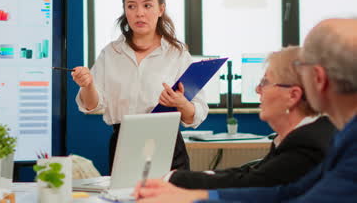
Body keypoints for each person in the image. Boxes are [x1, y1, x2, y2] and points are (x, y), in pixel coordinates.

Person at [135, 18, 357, 203]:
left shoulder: (335, 140)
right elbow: (289, 192)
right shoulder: (344, 135)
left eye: (303, 66)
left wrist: (191, 196)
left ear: (318, 78)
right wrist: (194, 196)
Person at [71, 0, 209, 172]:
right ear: (125, 10)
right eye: (131, 6)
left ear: (161, 9)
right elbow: (91, 105)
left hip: (168, 146)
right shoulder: (111, 53)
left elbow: (195, 115)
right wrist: (87, 85)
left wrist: (181, 103)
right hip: (124, 144)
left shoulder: (177, 54)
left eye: (147, 5)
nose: (139, 13)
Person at [168, 46, 336, 190]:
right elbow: (250, 175)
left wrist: (174, 180)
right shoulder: (302, 135)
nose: (257, 89)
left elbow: (254, 183)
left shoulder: (307, 144)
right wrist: (179, 179)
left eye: (265, 82)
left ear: (293, 95)